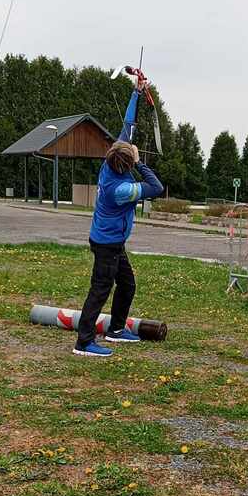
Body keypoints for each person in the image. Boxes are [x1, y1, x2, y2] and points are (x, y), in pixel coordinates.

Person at [74, 83, 164, 359]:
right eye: (130, 159)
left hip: (112, 242)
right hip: (107, 244)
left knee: (127, 284)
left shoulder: (110, 161)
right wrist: (139, 162)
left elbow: (128, 125)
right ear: (126, 164)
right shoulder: (121, 190)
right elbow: (156, 187)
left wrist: (136, 93)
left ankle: (115, 329)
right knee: (100, 291)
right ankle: (84, 342)